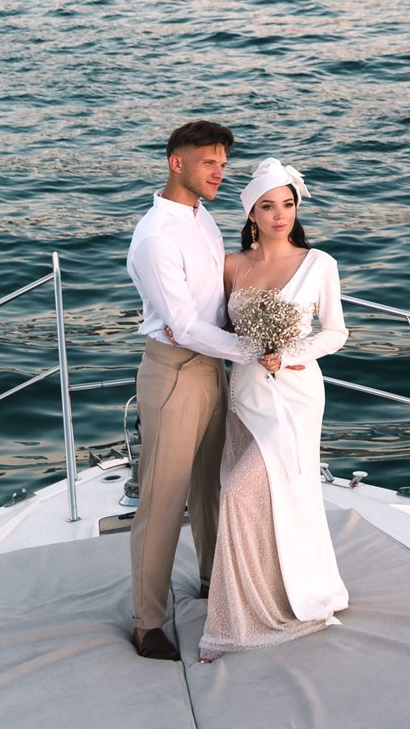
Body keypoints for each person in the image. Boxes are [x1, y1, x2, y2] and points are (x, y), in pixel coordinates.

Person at [168, 155, 352, 656]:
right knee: (244, 491)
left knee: (250, 493)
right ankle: (258, 592)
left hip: (295, 395)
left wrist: (292, 352)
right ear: (251, 213)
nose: (280, 215)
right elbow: (212, 328)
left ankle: (245, 613)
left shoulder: (319, 264)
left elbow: (336, 332)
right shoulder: (232, 266)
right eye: (268, 207)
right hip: (245, 395)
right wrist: (173, 327)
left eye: (287, 205)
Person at [122, 120, 242, 662]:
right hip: (174, 373)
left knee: (211, 487)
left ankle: (214, 583)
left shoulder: (206, 219)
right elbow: (184, 325)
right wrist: (252, 351)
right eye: (210, 163)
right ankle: (147, 623)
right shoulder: (154, 236)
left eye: (223, 163)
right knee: (164, 500)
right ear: (178, 163)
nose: (220, 172)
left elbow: (212, 306)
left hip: (214, 369)